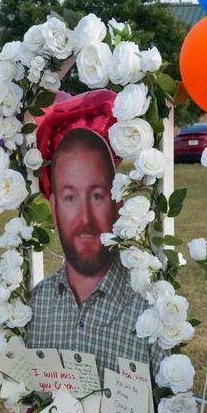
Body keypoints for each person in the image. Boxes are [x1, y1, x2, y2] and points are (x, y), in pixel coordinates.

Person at [26, 124, 163, 374]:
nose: (85, 219)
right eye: (70, 198)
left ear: (117, 202)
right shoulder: (34, 307)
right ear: (54, 209)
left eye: (97, 196)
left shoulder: (151, 308)